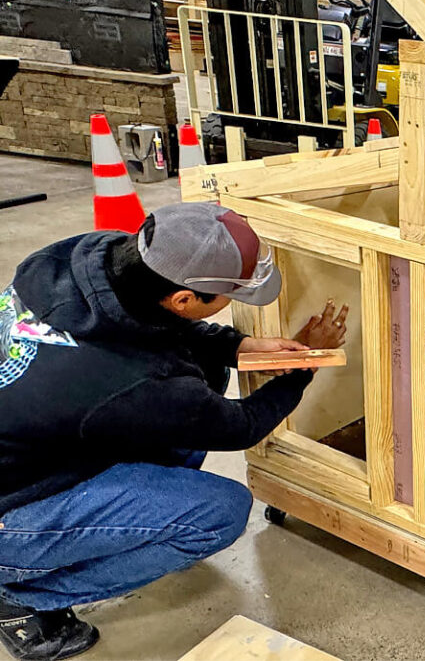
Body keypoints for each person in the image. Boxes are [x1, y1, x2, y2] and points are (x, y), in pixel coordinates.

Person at [0, 202, 348, 660]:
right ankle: (21, 596)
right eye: (227, 296)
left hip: (28, 439)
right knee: (220, 512)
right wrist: (303, 369)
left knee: (202, 377)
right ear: (183, 299)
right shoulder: (131, 382)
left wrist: (240, 346)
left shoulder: (86, 256)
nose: (231, 304)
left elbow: (151, 328)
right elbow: (240, 426)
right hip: (10, 515)